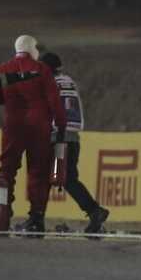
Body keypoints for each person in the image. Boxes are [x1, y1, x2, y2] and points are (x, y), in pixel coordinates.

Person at [0, 35, 64, 233]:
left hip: (13, 127)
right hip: (39, 128)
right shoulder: (42, 70)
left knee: (7, 171)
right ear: (32, 49)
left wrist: (9, 97)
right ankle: (36, 218)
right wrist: (61, 126)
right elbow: (55, 102)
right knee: (38, 172)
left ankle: (2, 214)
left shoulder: (2, 69)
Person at [40, 52, 110, 234]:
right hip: (73, 137)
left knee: (44, 177)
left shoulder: (48, 83)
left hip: (58, 138)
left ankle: (36, 219)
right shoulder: (69, 81)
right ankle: (95, 212)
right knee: (69, 179)